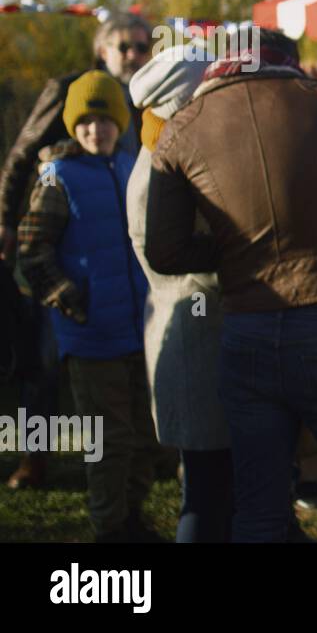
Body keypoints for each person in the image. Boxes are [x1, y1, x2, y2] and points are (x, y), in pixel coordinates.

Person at [143, 27, 317, 542]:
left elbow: (165, 250)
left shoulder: (182, 129)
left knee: (259, 511)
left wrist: (236, 249)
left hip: (247, 330)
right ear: (289, 61)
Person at [2, 11, 152, 489]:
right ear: (101, 51)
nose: (133, 55)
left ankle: (134, 465)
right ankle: (34, 455)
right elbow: (22, 154)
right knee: (43, 358)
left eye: (141, 46)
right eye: (123, 46)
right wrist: (6, 221)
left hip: (120, 258)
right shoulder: (70, 88)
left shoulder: (146, 95)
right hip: (59, 242)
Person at [17, 71, 161, 542]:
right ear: (73, 127)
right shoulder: (58, 178)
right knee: (109, 440)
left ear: (121, 123)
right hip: (91, 335)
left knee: (144, 436)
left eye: (104, 120)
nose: (95, 129)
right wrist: (71, 302)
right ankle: (109, 527)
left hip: (140, 329)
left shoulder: (133, 167)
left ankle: (134, 517)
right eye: (85, 121)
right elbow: (33, 252)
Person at [125, 43, 234, 543]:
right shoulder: (160, 169)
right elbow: (172, 256)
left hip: (197, 336)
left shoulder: (163, 155)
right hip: (192, 339)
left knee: (211, 484)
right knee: (205, 491)